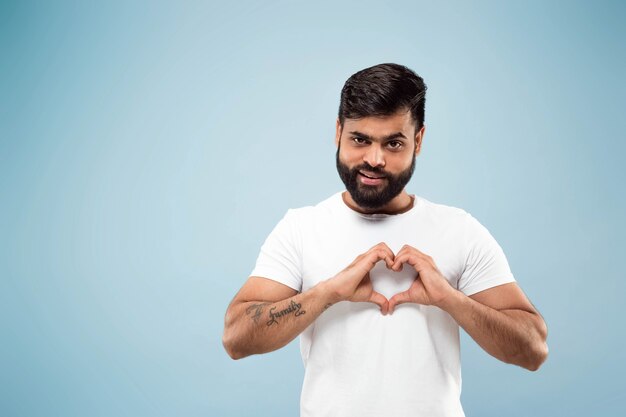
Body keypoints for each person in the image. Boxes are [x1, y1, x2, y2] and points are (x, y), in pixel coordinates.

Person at [222, 63, 548, 417]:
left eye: (393, 143)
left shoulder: (460, 229)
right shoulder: (301, 227)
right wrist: (330, 292)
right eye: (360, 139)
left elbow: (532, 349)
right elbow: (237, 337)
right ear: (338, 133)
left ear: (418, 141)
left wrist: (449, 299)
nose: (374, 160)